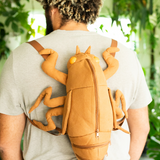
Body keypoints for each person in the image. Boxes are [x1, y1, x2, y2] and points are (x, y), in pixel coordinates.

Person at [0, 0, 152, 160]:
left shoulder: (20, 57)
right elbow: (142, 128)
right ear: (93, 11)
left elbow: (5, 145)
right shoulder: (126, 54)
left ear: (52, 9)